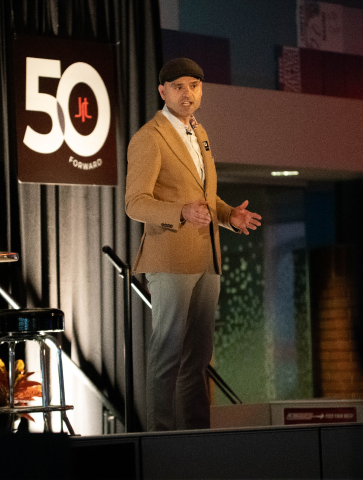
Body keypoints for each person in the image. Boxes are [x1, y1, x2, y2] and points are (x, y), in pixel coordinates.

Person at [125, 58, 262, 431]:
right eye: (180, 86)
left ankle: (197, 437)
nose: (188, 93)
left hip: (207, 257)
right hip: (169, 258)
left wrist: (229, 215)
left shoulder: (199, 133)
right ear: (163, 91)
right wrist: (181, 212)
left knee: (198, 359)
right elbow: (135, 203)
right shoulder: (149, 138)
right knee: (168, 354)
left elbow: (204, 198)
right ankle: (161, 439)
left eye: (195, 86)